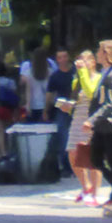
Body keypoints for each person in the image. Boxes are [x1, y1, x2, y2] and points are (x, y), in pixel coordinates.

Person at [83, 39, 112, 207]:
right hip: (102, 124)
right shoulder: (105, 73)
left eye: (100, 51)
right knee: (95, 159)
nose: (97, 53)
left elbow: (110, 103)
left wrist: (91, 120)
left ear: (108, 54)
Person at [61, 49, 102, 204]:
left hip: (91, 120)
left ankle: (95, 194)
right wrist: (67, 106)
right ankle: (86, 186)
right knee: (72, 153)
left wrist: (83, 73)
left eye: (84, 61)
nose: (81, 64)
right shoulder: (77, 79)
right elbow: (76, 99)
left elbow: (90, 92)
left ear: (92, 62)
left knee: (92, 157)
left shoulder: (98, 78)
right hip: (77, 119)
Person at [45, 48, 76, 177]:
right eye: (60, 57)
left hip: (77, 109)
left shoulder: (76, 73)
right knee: (63, 139)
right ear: (57, 60)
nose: (63, 59)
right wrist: (46, 110)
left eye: (65, 56)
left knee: (77, 138)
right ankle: (67, 167)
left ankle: (77, 166)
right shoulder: (55, 76)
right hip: (62, 110)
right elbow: (49, 95)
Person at [23, 46, 50, 122]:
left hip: (33, 106)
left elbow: (28, 91)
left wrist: (28, 105)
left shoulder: (29, 73)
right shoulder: (50, 73)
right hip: (46, 107)